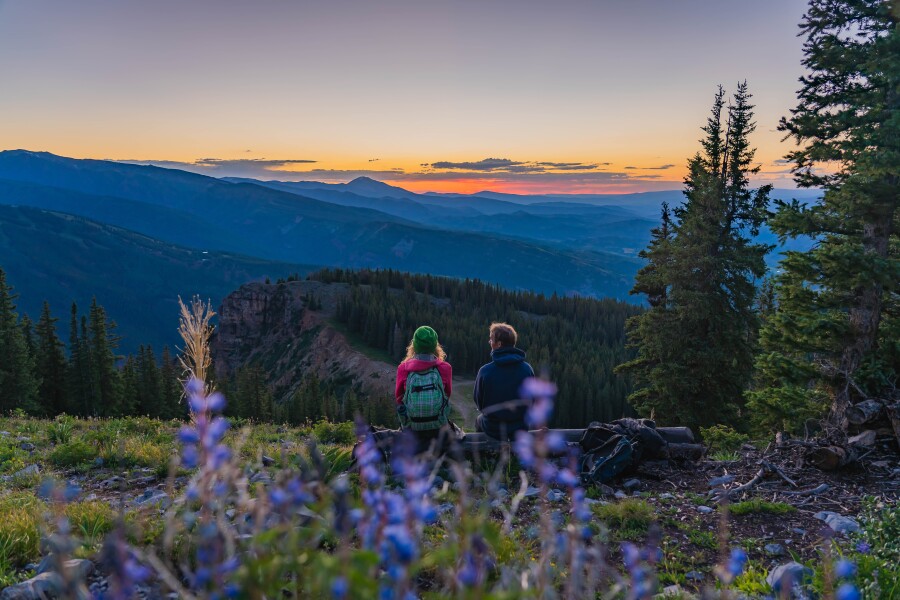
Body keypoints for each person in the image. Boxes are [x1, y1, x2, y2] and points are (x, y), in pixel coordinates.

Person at [395, 325, 455, 454]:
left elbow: (399, 398)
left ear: (414, 346)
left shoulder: (403, 368)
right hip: (438, 426)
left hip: (413, 427)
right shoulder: (445, 368)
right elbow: (447, 394)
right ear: (435, 346)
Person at [474, 322, 535, 441]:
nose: (489, 342)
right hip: (520, 428)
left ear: (499, 344)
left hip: (493, 428)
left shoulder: (485, 371)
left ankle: (482, 454)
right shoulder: (527, 369)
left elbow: (479, 403)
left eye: (491, 340)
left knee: (478, 420)